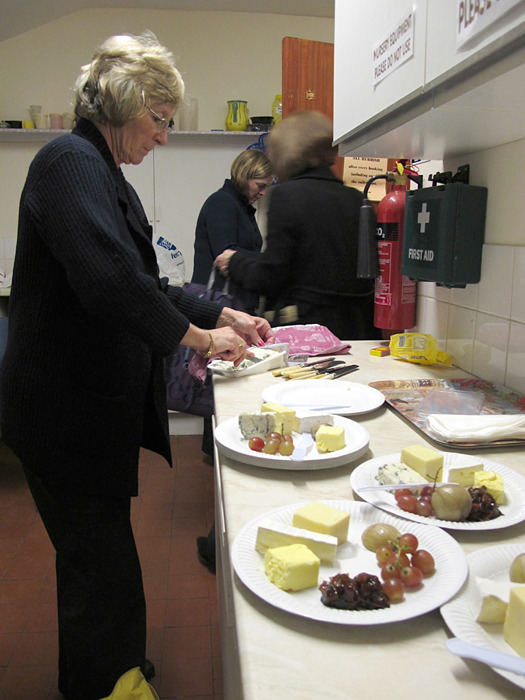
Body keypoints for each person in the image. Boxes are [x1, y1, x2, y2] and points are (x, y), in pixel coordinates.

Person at [0, 32, 273, 700]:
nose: (164, 137)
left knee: (96, 557)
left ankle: (102, 671)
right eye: (160, 119)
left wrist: (217, 315)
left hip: (83, 412)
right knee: (100, 563)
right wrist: (196, 340)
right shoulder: (68, 160)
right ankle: (107, 683)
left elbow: (142, 280)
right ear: (122, 103)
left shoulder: (101, 174)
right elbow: (107, 280)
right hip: (62, 412)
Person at [215, 110, 382, 341]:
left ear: (287, 153)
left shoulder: (286, 196)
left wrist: (235, 263)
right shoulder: (357, 199)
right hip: (359, 332)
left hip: (308, 336)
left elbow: (270, 276)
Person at [191, 148, 274, 314]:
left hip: (230, 301)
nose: (263, 192)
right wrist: (270, 260)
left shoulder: (239, 207)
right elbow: (226, 255)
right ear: (245, 177)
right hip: (219, 303)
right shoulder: (222, 203)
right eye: (260, 186)